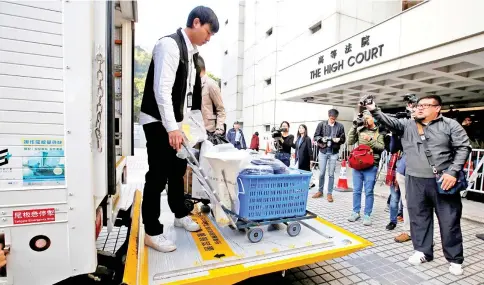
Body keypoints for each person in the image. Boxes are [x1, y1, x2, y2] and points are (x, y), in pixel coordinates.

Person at [138, 6, 219, 253]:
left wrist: (193, 130)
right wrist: (172, 128)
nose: (209, 38)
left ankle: (179, 213)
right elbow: (161, 90)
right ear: (196, 22)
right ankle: (152, 231)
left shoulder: (192, 56)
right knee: (158, 175)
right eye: (207, 31)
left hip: (175, 123)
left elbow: (188, 99)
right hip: (157, 121)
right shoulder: (169, 46)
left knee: (178, 170)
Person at [364, 94, 471, 276]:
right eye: (418, 105)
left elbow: (464, 147)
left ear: (437, 108)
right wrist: (374, 109)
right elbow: (388, 121)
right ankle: (423, 252)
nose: (420, 108)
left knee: (449, 221)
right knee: (418, 217)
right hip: (414, 179)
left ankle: (454, 259)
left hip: (442, 181)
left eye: (426, 105)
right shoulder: (407, 124)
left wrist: (452, 172)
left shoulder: (450, 125)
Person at [347, 111, 384, 226]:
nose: (366, 120)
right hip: (358, 164)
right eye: (364, 118)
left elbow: (381, 147)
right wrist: (354, 126)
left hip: (371, 165)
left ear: (373, 118)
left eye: (368, 117)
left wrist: (369, 139)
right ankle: (355, 212)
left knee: (368, 191)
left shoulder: (380, 132)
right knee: (356, 190)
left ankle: (367, 214)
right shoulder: (360, 129)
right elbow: (349, 141)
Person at [313, 109, 346, 202]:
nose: (333, 120)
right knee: (322, 173)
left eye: (334, 118)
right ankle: (320, 191)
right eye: (331, 118)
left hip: (334, 152)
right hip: (323, 151)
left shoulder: (340, 126)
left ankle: (329, 193)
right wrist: (321, 139)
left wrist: (338, 140)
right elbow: (315, 136)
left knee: (331, 174)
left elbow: (343, 139)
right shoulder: (321, 124)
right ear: (328, 116)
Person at [198, 55, 226, 135]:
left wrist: (219, 129)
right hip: (195, 130)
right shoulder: (193, 85)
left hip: (209, 131)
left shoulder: (210, 84)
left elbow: (220, 109)